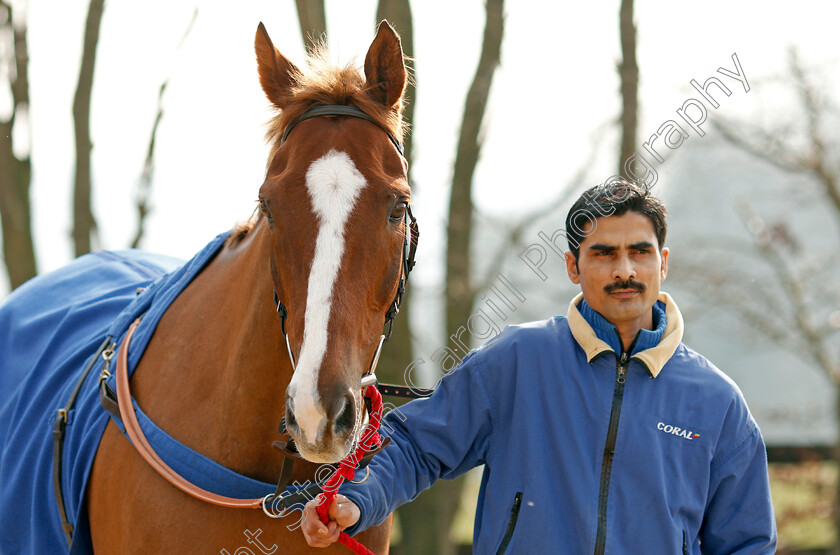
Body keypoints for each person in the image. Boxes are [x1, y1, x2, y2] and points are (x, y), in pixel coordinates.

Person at [300, 180, 777, 554]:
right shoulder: (516, 362)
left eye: (640, 251)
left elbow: (747, 542)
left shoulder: (717, 402)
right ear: (573, 266)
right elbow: (417, 444)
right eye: (604, 253)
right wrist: (356, 501)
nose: (624, 270)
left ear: (663, 262)